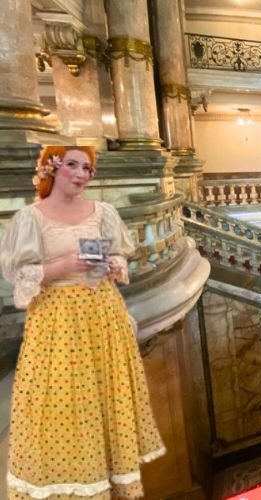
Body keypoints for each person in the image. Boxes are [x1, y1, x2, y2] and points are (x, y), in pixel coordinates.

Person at [0, 146, 165, 499]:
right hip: (56, 320)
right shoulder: (31, 217)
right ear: (51, 167)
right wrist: (62, 267)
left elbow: (121, 252)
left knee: (106, 397)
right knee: (62, 402)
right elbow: (18, 274)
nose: (81, 173)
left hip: (103, 313)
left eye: (88, 168)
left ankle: (112, 475)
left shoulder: (103, 211)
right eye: (73, 164)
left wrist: (113, 264)